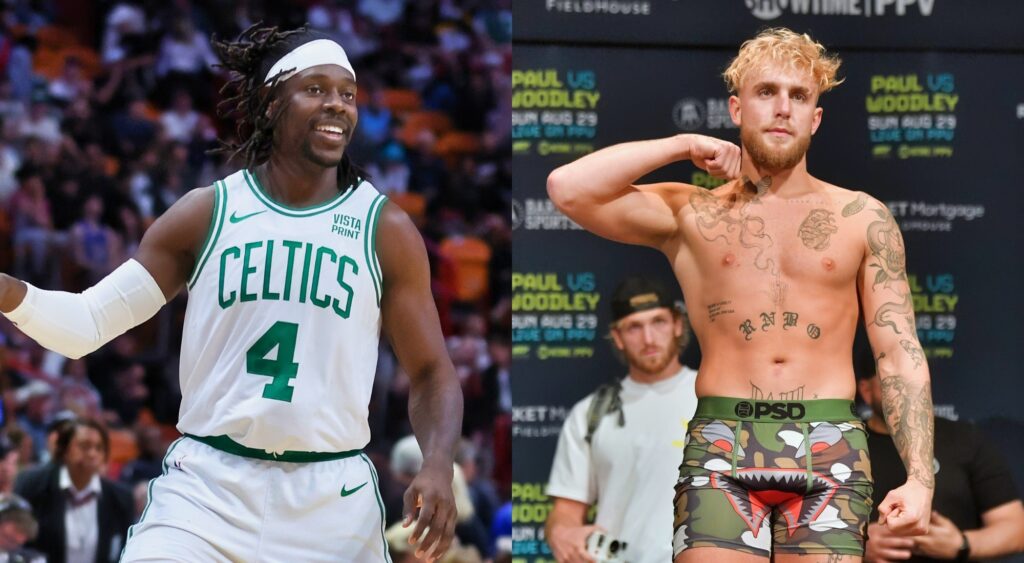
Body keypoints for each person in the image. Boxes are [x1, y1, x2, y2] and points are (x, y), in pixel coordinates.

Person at [0, 25, 463, 562]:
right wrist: (9, 292)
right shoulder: (207, 213)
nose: (337, 104)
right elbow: (86, 325)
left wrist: (436, 465)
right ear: (270, 103)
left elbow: (432, 373)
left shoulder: (384, 229)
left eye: (347, 93)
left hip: (330, 503)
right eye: (315, 89)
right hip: (206, 490)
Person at [547, 27, 934, 561]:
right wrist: (682, 146)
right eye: (767, 92)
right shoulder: (692, 213)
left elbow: (898, 353)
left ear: (816, 118)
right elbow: (567, 189)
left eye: (799, 97)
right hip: (723, 438)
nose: (783, 108)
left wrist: (920, 478)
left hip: (832, 442)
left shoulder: (862, 218)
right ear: (736, 108)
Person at [545, 276, 698, 563]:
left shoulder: (712, 397)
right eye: (634, 327)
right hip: (618, 559)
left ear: (678, 324)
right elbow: (565, 512)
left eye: (659, 322)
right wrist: (562, 533)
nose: (649, 338)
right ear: (617, 337)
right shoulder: (590, 413)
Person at [856, 351, 1024, 562]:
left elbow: (1016, 529)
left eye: (914, 382)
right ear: (866, 390)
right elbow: (807, 531)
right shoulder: (844, 447)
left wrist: (961, 544)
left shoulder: (964, 438)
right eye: (894, 383)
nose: (907, 393)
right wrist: (857, 546)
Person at [14, 418, 134, 563]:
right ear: (64, 450)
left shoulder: (121, 498)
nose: (92, 454)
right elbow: (19, 542)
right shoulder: (33, 485)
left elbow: (126, 551)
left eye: (99, 448)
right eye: (84, 446)